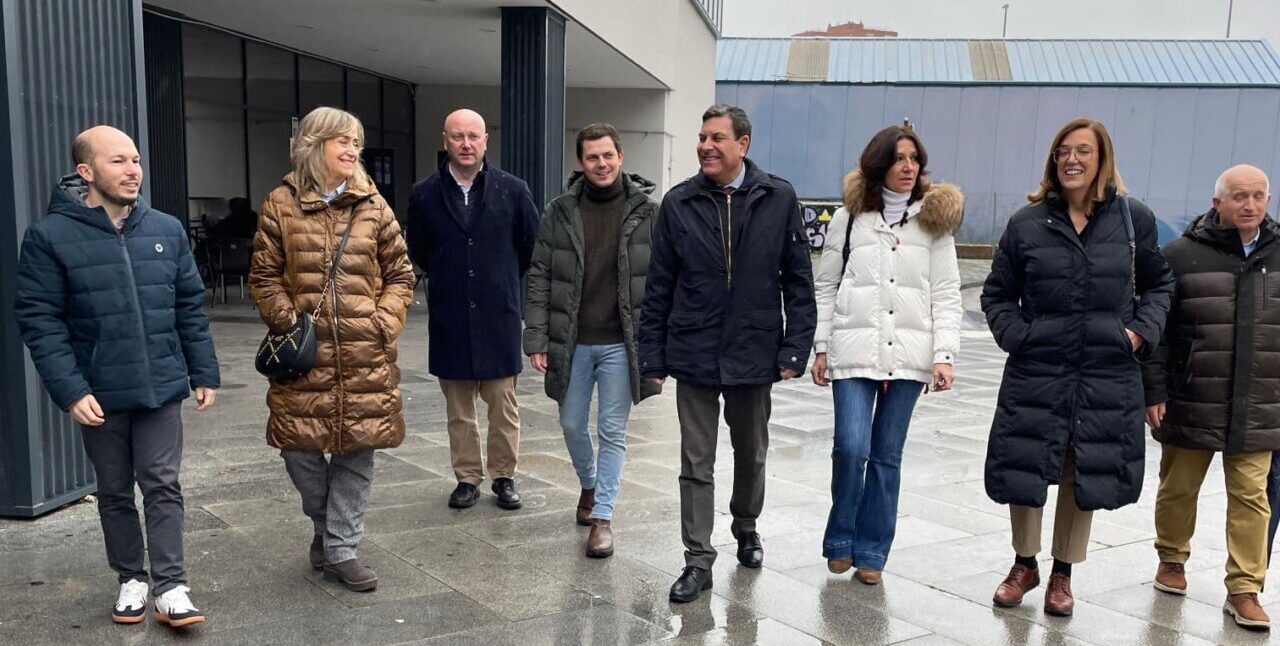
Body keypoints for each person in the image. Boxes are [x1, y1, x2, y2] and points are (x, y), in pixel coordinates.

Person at [14, 125, 219, 628]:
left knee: (162, 483)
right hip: (99, 392)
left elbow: (188, 306)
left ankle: (171, 586)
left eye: (136, 160)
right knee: (113, 489)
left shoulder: (166, 229)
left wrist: (202, 370)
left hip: (161, 384)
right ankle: (131, 578)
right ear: (86, 171)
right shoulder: (49, 237)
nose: (133, 171)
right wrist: (71, 390)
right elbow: (40, 320)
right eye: (118, 162)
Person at [981, 117, 1175, 617]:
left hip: (1105, 369)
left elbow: (1160, 285)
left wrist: (1138, 332)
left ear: (1102, 158)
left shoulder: (1133, 220)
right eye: (1064, 151)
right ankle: (1024, 563)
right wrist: (1019, 336)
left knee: (1081, 466)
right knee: (1026, 460)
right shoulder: (1027, 223)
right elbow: (997, 293)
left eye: (1083, 151)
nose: (1072, 159)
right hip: (1039, 367)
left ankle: (1063, 572)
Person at [639, 103, 816, 603]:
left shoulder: (778, 197)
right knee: (695, 460)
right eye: (702, 137)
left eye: (717, 137)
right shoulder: (678, 203)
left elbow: (798, 280)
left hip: (754, 350)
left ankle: (746, 524)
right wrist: (652, 357)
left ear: (743, 144)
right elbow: (658, 286)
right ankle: (697, 559)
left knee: (751, 452)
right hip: (693, 350)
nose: (706, 146)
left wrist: (795, 348)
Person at [248, 107, 415, 593]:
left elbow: (402, 274)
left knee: (356, 451)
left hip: (365, 353)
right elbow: (264, 276)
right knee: (297, 448)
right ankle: (326, 528)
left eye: (356, 142)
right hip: (304, 354)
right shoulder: (281, 203)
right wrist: (289, 322)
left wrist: (382, 322)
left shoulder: (373, 205)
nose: (352, 150)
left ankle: (341, 548)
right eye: (342, 140)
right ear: (313, 144)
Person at [810, 125, 963, 585]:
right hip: (853, 349)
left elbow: (947, 292)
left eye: (914, 159)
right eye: (898, 158)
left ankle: (872, 551)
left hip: (910, 355)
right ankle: (841, 539)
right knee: (850, 448)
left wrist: (944, 354)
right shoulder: (849, 219)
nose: (908, 167)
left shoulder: (934, 223)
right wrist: (821, 345)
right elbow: (826, 285)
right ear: (878, 164)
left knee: (885, 457)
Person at [1143, 165, 1278, 630]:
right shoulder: (1180, 256)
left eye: (1258, 196)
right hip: (1191, 395)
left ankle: (1245, 588)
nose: (1250, 205)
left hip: (1260, 402)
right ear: (1217, 202)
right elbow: (1157, 333)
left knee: (1252, 496)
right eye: (1239, 196)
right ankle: (1171, 558)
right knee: (1178, 487)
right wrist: (1154, 389)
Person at [524, 123, 661, 558]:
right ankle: (589, 484)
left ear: (621, 156)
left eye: (608, 155)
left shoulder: (647, 211)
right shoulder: (560, 210)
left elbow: (662, 280)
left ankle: (602, 517)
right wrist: (537, 337)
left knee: (612, 430)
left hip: (623, 342)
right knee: (570, 423)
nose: (601, 164)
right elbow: (540, 274)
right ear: (580, 162)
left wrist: (659, 345)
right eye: (592, 157)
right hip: (573, 341)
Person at [407, 109, 540, 511]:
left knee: (503, 406)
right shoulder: (424, 193)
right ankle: (467, 478)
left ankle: (504, 476)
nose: (466, 144)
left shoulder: (513, 190)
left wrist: (497, 280)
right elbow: (419, 250)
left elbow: (529, 247)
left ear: (485, 141)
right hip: (450, 319)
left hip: (498, 317)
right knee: (459, 410)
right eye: (458, 136)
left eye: (473, 136)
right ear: (445, 141)